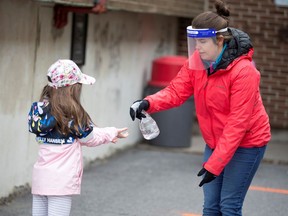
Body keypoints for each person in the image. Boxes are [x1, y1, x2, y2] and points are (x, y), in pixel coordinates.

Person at [129, 0, 271, 215]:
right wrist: (148, 102)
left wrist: (214, 165)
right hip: (215, 141)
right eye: (195, 41)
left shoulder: (244, 72)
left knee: (229, 206)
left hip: (246, 143)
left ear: (220, 40)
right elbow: (176, 92)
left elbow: (237, 123)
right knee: (211, 207)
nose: (198, 48)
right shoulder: (198, 61)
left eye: (203, 41)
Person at [28, 59, 128, 216]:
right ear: (71, 90)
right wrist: (112, 132)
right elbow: (90, 138)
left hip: (40, 178)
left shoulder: (40, 111)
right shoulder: (72, 115)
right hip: (60, 182)